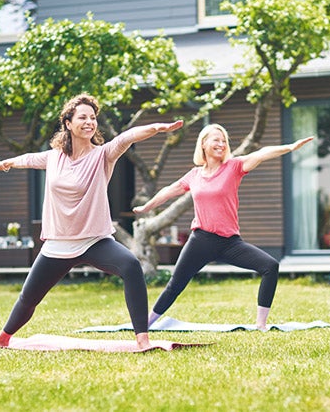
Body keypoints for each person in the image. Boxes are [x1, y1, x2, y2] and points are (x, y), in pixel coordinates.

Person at [0, 93, 183, 349]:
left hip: (94, 240)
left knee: (131, 266)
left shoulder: (103, 155)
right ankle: (3, 338)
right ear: (68, 123)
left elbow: (127, 137)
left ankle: (142, 339)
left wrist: (157, 128)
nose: (89, 122)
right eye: (82, 117)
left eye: (93, 118)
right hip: (58, 243)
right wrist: (5, 164)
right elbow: (28, 158)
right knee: (29, 297)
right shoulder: (54, 157)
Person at [133, 124, 313, 331]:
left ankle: (260, 325)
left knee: (270, 266)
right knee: (175, 284)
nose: (221, 144)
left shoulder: (234, 167)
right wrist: (147, 206)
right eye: (216, 140)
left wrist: (289, 147)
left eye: (224, 141)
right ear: (203, 144)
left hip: (229, 243)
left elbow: (261, 154)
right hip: (201, 241)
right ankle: (145, 324)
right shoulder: (194, 175)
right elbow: (168, 190)